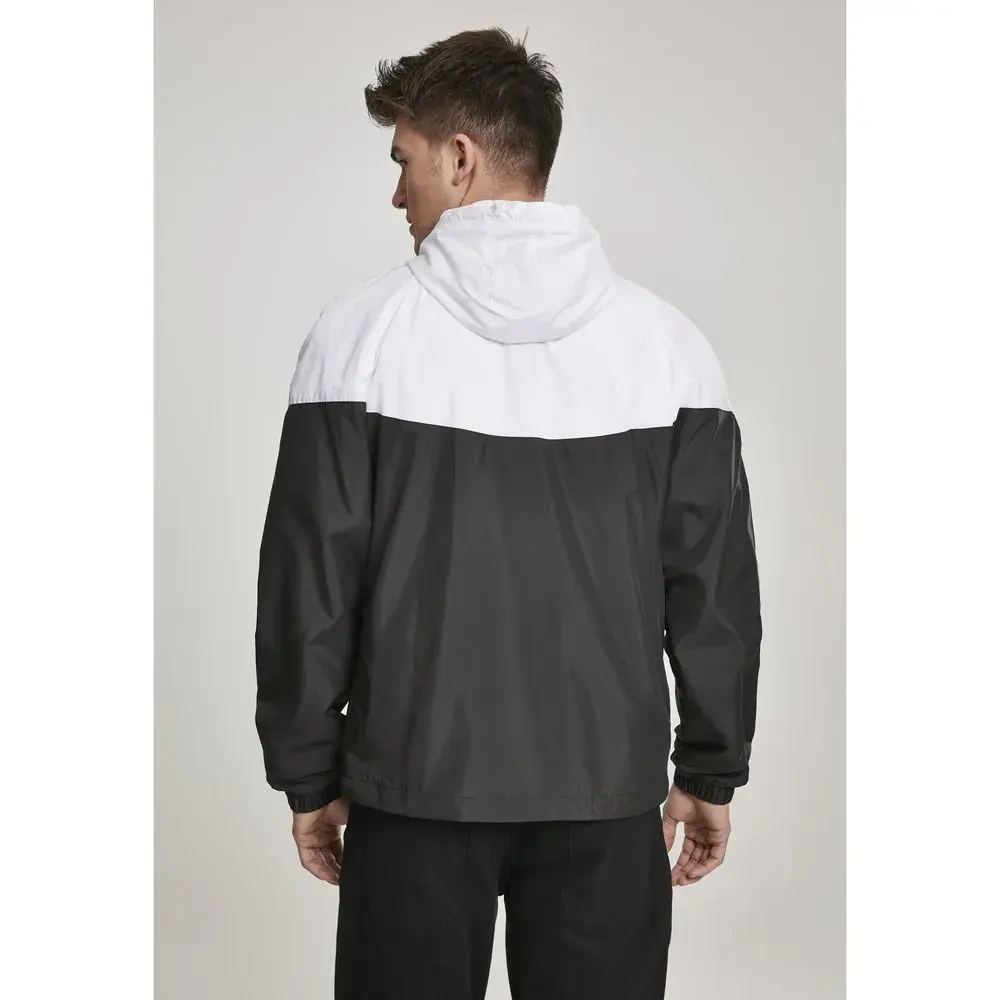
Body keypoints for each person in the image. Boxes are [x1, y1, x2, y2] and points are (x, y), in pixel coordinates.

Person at [254, 27, 762, 1000]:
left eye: (402, 162)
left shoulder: (358, 340)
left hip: (413, 792)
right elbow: (713, 589)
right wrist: (710, 767)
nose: (397, 194)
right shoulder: (668, 351)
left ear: (459, 159)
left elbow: (307, 585)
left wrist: (309, 776)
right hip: (604, 798)